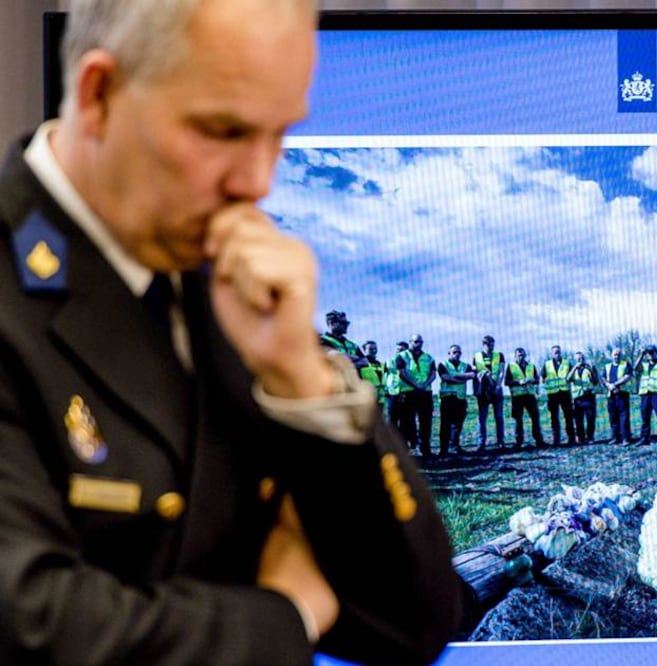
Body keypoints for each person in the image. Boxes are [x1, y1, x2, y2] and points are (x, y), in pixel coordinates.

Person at [0, 1, 461, 664]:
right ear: (99, 95)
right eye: (223, 131)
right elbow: (35, 628)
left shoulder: (224, 285)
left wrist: (303, 379)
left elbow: (412, 618)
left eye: (279, 136)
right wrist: (288, 613)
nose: (258, 182)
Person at [396, 334, 436, 458]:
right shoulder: (402, 356)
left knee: (426, 421)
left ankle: (426, 449)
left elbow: (433, 374)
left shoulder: (428, 357)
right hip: (409, 392)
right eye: (416, 341)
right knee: (408, 421)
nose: (418, 344)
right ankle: (410, 447)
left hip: (425, 392)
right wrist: (416, 385)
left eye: (420, 342)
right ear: (410, 342)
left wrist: (424, 384)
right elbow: (402, 373)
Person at [437, 345, 475, 457]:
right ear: (449, 353)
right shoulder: (443, 364)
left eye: (458, 352)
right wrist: (462, 379)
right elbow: (445, 378)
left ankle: (455, 446)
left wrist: (455, 375)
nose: (456, 354)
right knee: (445, 425)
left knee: (458, 424)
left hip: (460, 398)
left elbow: (472, 375)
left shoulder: (465, 365)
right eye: (454, 352)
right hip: (447, 398)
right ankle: (443, 449)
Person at [505, 347, 546, 449]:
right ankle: (518, 442)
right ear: (515, 356)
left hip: (530, 395)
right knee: (518, 420)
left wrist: (532, 380)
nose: (521, 357)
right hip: (517, 396)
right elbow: (507, 382)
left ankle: (539, 440)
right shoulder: (510, 366)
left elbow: (537, 380)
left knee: (535, 418)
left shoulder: (531, 366)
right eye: (519, 355)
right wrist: (519, 382)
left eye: (523, 355)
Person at [472, 335, 507, 453]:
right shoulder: (476, 356)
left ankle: (501, 441)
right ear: (483, 344)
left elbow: (502, 371)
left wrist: (498, 385)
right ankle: (481, 443)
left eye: (492, 343)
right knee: (482, 418)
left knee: (499, 417)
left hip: (496, 389)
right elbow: (474, 371)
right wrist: (480, 375)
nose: (490, 346)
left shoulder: (499, 355)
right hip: (483, 390)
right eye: (487, 343)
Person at [541, 345, 577, 446]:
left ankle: (571, 439)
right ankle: (556, 440)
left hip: (565, 393)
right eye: (555, 352)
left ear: (561, 352)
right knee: (554, 417)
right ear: (552, 353)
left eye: (558, 352)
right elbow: (542, 377)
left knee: (569, 416)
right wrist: (542, 391)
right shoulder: (547, 364)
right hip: (552, 394)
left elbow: (572, 376)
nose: (557, 353)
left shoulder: (566, 363)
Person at [634, 344, 657, 447]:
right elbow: (635, 368)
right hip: (645, 393)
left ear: (656, 353)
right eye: (648, 353)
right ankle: (644, 438)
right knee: (645, 418)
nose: (650, 355)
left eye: (652, 352)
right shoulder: (643, 365)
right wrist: (641, 354)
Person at [601, 346, 634, 445]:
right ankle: (615, 437)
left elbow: (628, 376)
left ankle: (626, 438)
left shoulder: (626, 364)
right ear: (611, 356)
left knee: (624, 418)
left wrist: (615, 384)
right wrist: (608, 385)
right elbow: (603, 378)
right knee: (613, 418)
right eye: (615, 355)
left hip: (622, 395)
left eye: (618, 355)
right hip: (611, 395)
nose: (616, 356)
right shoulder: (607, 366)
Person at [569, 351, 599, 445]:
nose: (580, 360)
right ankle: (581, 438)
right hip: (577, 398)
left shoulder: (590, 367)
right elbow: (567, 379)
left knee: (590, 419)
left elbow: (595, 381)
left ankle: (590, 437)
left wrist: (591, 373)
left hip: (588, 396)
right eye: (578, 359)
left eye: (582, 358)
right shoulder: (572, 369)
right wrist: (574, 368)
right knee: (578, 420)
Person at [385, 340, 409, 432]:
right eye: (398, 349)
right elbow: (386, 375)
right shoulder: (389, 361)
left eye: (402, 350)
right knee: (392, 417)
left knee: (405, 418)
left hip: (406, 391)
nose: (399, 352)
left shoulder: (410, 362)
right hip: (392, 392)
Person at [359, 340, 387, 410]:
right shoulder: (361, 364)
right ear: (364, 350)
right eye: (371, 349)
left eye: (375, 349)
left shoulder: (381, 364)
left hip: (381, 400)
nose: (374, 351)